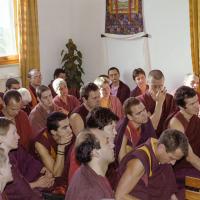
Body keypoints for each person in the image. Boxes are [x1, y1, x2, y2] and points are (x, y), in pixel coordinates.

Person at [115, 129, 189, 200]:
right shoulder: (139, 162)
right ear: (161, 147)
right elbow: (120, 196)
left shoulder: (163, 158)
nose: (173, 163)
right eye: (171, 158)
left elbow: (169, 189)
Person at [0, 117, 54, 200]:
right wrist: (37, 183)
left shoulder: (15, 149)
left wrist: (43, 169)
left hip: (28, 185)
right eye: (13, 133)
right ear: (1, 138)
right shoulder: (3, 163)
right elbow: (20, 190)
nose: (18, 137)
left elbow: (28, 159)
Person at [65, 129, 115, 200]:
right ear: (95, 152)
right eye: (107, 142)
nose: (113, 145)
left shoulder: (85, 170)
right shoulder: (95, 191)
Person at [167, 86, 200, 190]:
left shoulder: (194, 117)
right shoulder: (176, 123)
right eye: (192, 104)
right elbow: (189, 157)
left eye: (197, 101)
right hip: (183, 167)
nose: (197, 106)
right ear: (181, 107)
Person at [31, 112, 73, 190]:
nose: (70, 130)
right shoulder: (40, 142)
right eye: (65, 127)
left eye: (69, 126)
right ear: (53, 132)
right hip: (46, 177)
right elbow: (56, 174)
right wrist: (61, 147)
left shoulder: (67, 133)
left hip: (65, 169)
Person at [115, 97, 156, 163]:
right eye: (138, 113)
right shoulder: (124, 131)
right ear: (129, 117)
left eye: (144, 110)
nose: (144, 114)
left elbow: (153, 143)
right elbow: (121, 161)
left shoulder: (145, 121)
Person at [138, 69, 177, 137]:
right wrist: (159, 103)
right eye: (154, 86)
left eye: (160, 86)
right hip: (149, 139)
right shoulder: (140, 100)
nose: (157, 90)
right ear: (147, 83)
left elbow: (174, 121)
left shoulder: (170, 98)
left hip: (168, 137)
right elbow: (151, 126)